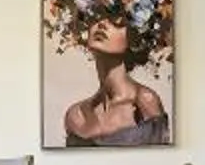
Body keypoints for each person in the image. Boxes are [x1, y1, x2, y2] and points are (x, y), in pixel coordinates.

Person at [61, 14, 169, 146]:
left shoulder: (144, 102)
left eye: (116, 22)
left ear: (134, 37)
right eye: (95, 16)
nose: (102, 24)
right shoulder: (77, 116)